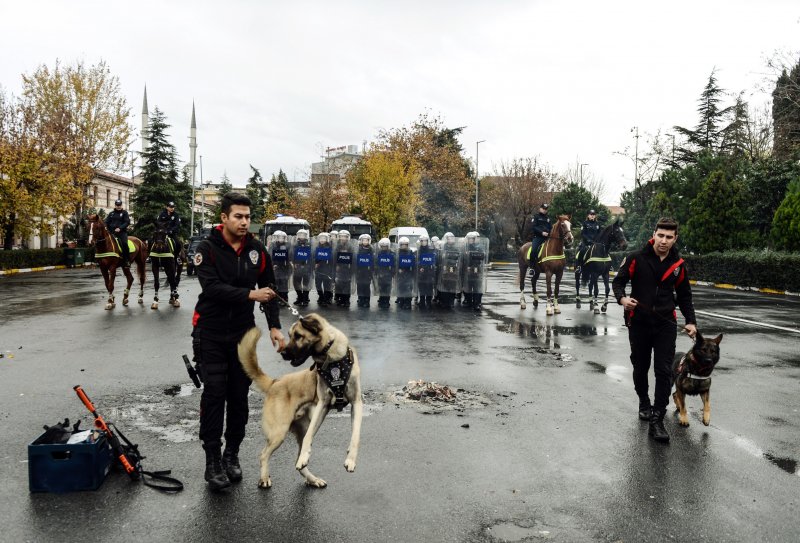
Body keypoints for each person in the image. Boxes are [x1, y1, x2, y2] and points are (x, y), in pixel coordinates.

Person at [191, 192, 285, 491]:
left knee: (239, 397)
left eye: (247, 217)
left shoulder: (257, 250)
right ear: (224, 218)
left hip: (244, 336)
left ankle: (232, 455)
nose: (244, 222)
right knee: (215, 393)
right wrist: (249, 295)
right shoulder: (207, 249)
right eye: (238, 217)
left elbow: (269, 288)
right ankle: (212, 460)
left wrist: (274, 327)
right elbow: (212, 288)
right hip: (211, 332)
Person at [612, 217, 697, 444]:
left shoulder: (678, 266)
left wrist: (690, 321)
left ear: (675, 239)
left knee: (663, 371)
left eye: (669, 237)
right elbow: (618, 282)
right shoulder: (636, 258)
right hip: (638, 321)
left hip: (665, 324)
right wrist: (622, 299)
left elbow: (685, 295)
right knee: (640, 366)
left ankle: (657, 419)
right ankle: (643, 402)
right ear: (654, 234)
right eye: (661, 235)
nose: (664, 241)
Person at [105, 199, 131, 268]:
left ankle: (127, 260)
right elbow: (106, 222)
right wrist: (106, 227)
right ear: (115, 205)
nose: (118, 206)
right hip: (112, 233)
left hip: (122, 232)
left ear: (121, 205)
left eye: (119, 205)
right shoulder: (111, 213)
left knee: (124, 243)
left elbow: (127, 222)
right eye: (117, 205)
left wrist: (120, 228)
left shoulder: (124, 213)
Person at [291, 229, 313, 307]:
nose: (301, 237)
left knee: (306, 284)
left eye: (303, 235)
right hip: (297, 267)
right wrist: (293, 263)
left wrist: (310, 265)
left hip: (307, 267)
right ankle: (300, 298)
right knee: (297, 283)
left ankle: (305, 298)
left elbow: (312, 256)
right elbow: (292, 255)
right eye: (300, 235)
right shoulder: (295, 245)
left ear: (306, 236)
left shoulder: (310, 245)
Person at [269, 230, 291, 305]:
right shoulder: (273, 245)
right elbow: (270, 256)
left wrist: (288, 263)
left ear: (285, 238)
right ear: (276, 238)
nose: (281, 239)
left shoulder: (288, 245)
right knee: (276, 283)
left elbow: (290, 256)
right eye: (279, 237)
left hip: (284, 267)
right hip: (275, 268)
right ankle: (277, 299)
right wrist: (272, 265)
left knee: (284, 283)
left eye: (282, 237)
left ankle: (284, 299)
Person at [416, 235, 437, 309]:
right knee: (421, 288)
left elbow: (434, 260)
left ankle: (428, 302)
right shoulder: (418, 250)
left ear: (427, 241)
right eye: (422, 241)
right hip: (421, 273)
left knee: (429, 288)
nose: (423, 242)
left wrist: (432, 267)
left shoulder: (431, 249)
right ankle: (422, 302)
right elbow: (417, 260)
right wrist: (420, 266)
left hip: (429, 272)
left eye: (425, 241)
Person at [314, 232, 334, 306]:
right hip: (318, 270)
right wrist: (315, 263)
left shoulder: (330, 248)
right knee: (318, 285)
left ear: (327, 239)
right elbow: (313, 256)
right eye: (321, 238)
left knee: (327, 285)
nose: (322, 240)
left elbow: (332, 259)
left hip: (327, 269)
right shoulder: (316, 247)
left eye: (324, 238)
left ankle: (326, 299)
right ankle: (321, 297)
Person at [395, 236, 416, 309]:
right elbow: (395, 263)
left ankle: (408, 303)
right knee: (401, 288)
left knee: (408, 288)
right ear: (400, 245)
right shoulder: (397, 253)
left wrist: (413, 273)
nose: (404, 246)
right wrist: (398, 270)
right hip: (400, 275)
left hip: (408, 274)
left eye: (405, 245)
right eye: (402, 244)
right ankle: (401, 301)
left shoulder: (411, 253)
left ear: (408, 245)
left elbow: (414, 264)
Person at [355, 234, 374, 308]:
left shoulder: (371, 249)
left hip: (367, 271)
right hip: (359, 271)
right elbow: (355, 258)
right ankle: (360, 299)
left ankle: (366, 301)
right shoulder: (358, 249)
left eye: (367, 240)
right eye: (364, 240)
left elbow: (373, 260)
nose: (365, 242)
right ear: (361, 241)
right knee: (359, 286)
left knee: (366, 286)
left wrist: (372, 270)